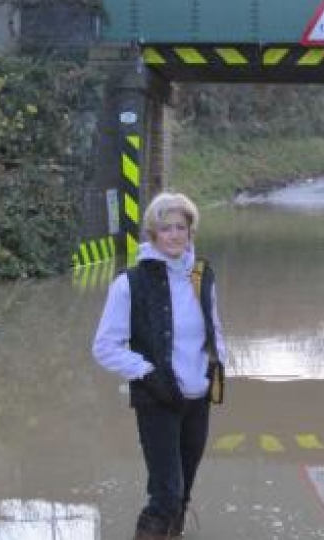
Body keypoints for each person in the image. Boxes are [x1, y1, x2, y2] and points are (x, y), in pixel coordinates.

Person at [92, 192, 227, 540]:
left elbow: (214, 329)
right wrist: (148, 374)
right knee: (165, 495)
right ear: (152, 234)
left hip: (197, 399)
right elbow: (104, 347)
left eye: (180, 227)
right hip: (158, 400)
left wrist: (217, 366)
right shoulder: (130, 283)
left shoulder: (202, 276)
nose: (174, 235)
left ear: (191, 232)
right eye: (165, 228)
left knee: (182, 495)